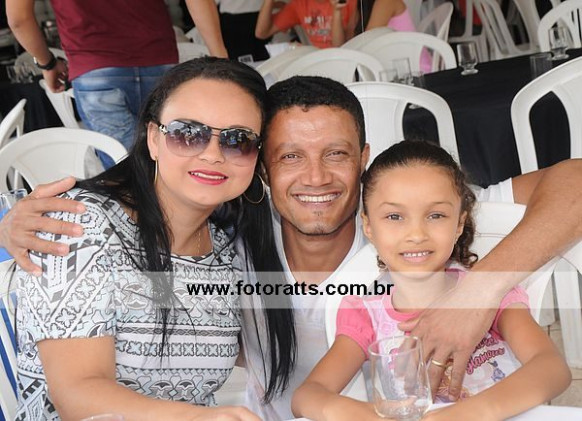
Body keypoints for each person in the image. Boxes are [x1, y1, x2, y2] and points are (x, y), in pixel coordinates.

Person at [3, 76, 582, 419]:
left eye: (336, 154)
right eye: (289, 156)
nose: (316, 178)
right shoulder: (229, 247)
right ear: (261, 166)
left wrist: (475, 294)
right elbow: (139, 262)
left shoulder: (408, 225)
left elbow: (575, 180)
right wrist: (13, 229)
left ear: (363, 157)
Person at [11, 57, 296, 421]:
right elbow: (77, 393)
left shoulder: (227, 248)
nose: (212, 154)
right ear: (154, 139)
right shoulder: (83, 225)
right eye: (187, 133)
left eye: (237, 140)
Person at [291, 140, 571, 421]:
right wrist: (370, 415)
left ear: (459, 224)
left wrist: (473, 412)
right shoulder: (365, 314)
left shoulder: (492, 294)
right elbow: (307, 396)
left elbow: (552, 369)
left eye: (436, 215)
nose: (416, 234)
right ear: (368, 226)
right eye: (394, 216)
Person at [7, 0, 228, 167]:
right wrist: (221, 58)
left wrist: (47, 64)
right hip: (158, 60)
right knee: (175, 163)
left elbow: (18, 19)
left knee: (126, 170)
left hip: (95, 68)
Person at [255, 0, 359, 48]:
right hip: (314, 61)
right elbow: (261, 33)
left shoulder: (350, 2)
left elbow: (341, 48)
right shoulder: (299, 4)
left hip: (345, 60)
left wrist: (336, 11)